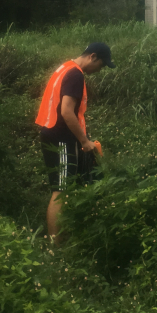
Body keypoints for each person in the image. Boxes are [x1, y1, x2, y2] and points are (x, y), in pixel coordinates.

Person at [36, 42, 115, 241]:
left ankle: (63, 237)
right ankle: (55, 245)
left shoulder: (65, 67)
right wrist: (84, 141)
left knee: (65, 188)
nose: (99, 70)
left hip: (53, 133)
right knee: (61, 191)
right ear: (93, 56)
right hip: (61, 137)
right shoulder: (75, 74)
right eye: (101, 65)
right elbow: (66, 111)